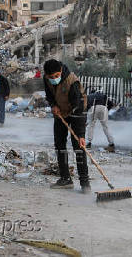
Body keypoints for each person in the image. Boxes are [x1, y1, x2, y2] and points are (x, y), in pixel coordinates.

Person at [43, 59, 90, 193]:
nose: (54, 79)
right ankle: (65, 179)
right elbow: (49, 94)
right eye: (51, 77)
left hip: (77, 112)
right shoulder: (46, 79)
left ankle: (85, 184)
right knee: (59, 145)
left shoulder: (72, 82)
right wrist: (53, 105)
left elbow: (79, 108)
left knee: (78, 147)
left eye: (56, 76)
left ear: (61, 71)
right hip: (60, 113)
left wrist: (80, 135)